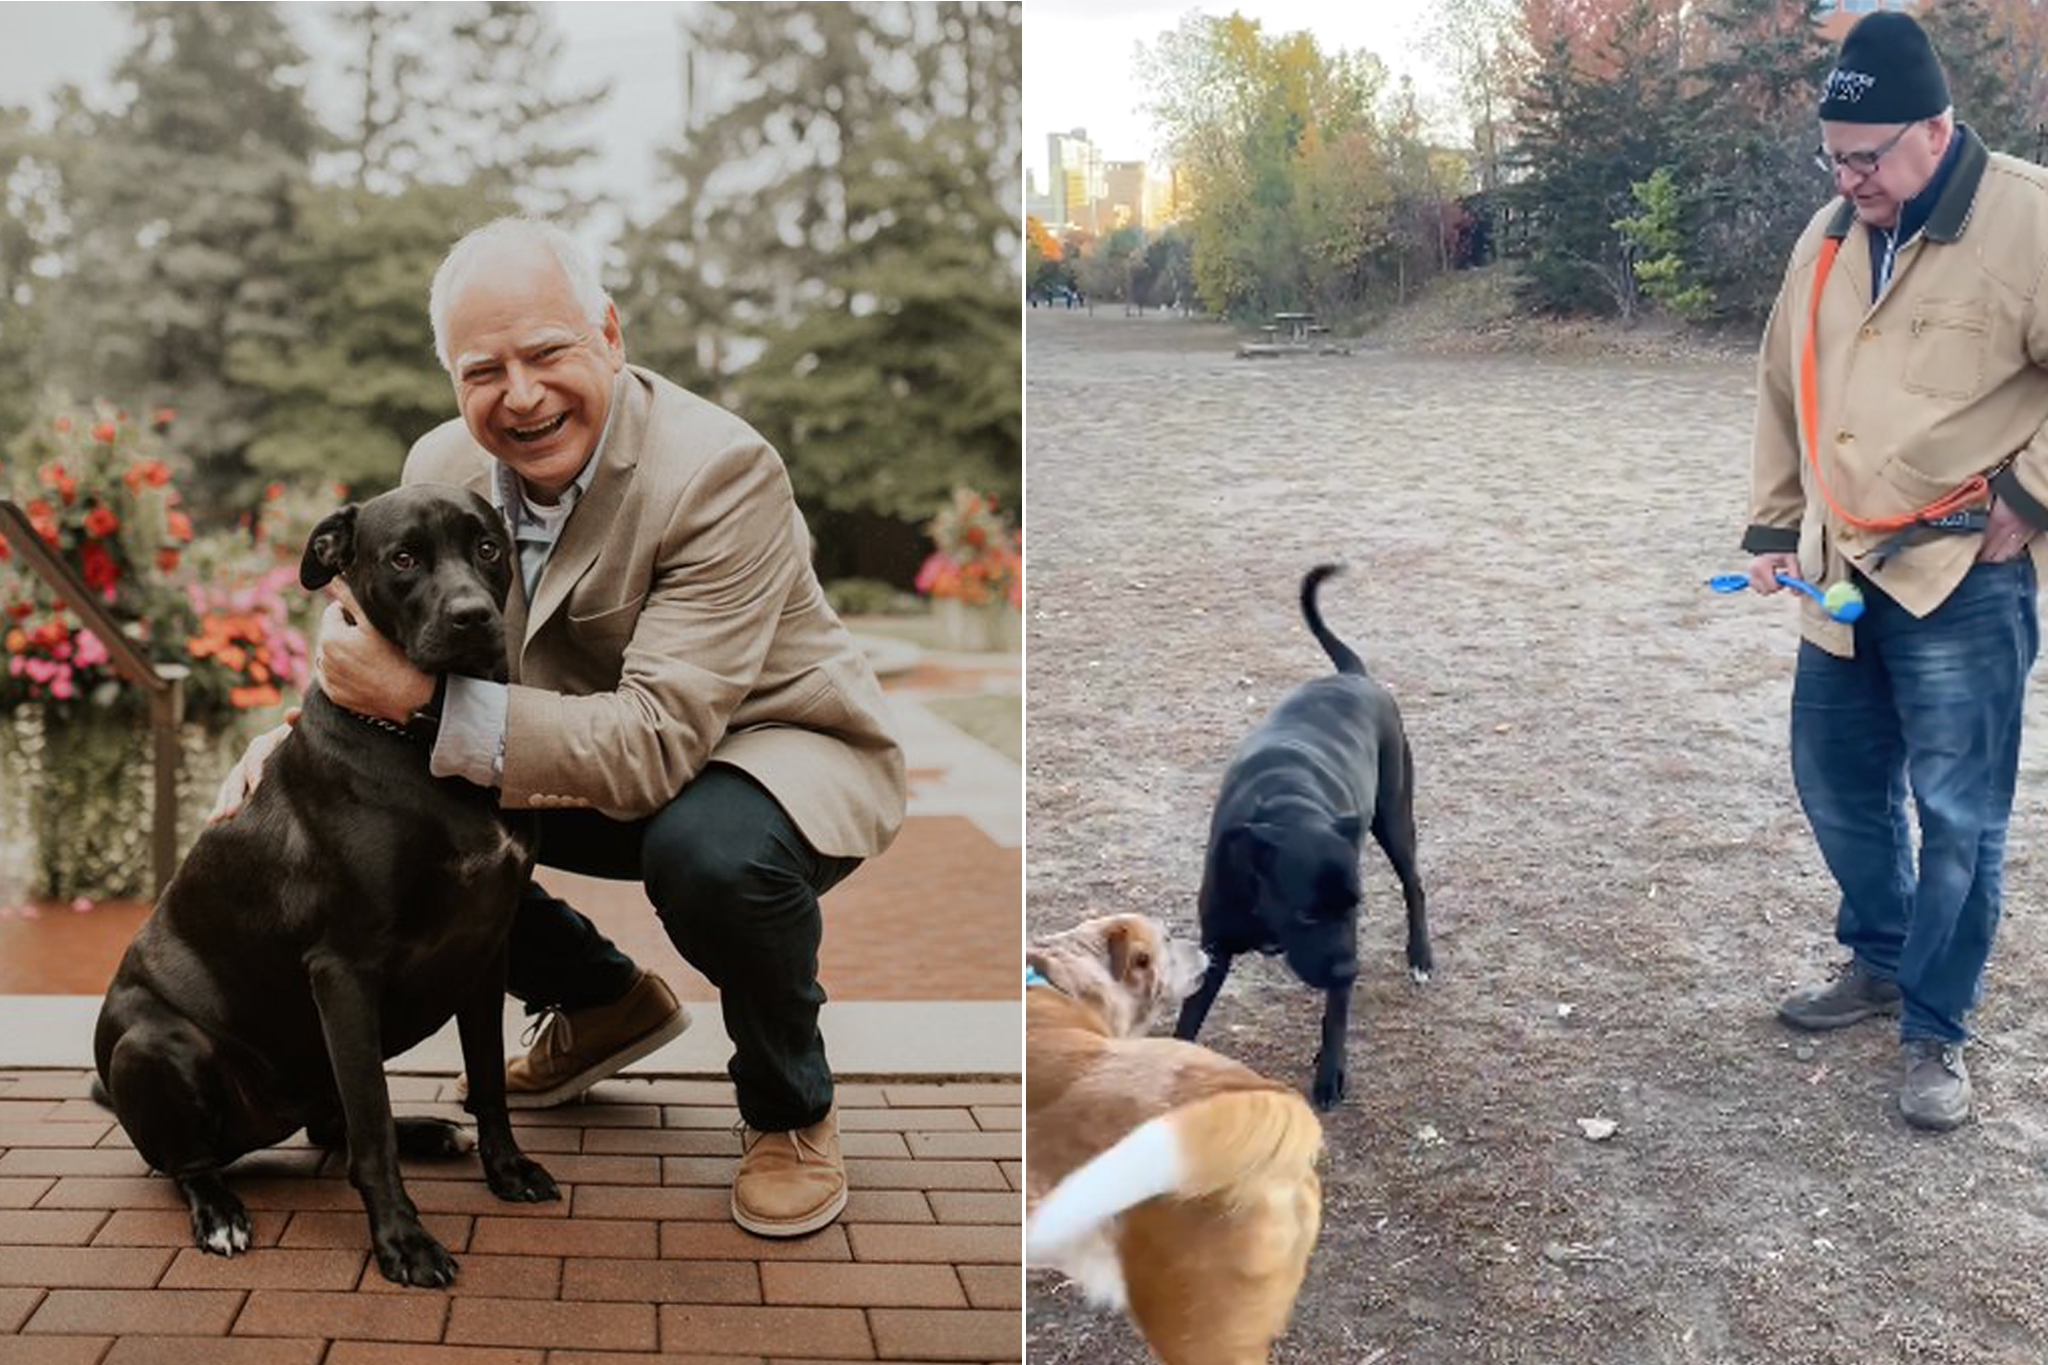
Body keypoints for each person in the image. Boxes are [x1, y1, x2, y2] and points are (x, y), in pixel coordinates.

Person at [230, 217, 906, 1233]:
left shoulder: (719, 471)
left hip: (762, 748)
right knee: (385, 810)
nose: (522, 394)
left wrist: (420, 706)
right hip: (572, 734)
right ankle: (600, 1000)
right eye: (483, 369)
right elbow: (389, 654)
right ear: (453, 381)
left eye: (547, 352)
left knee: (711, 855)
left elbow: (650, 746)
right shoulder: (439, 463)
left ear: (609, 335)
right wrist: (294, 746)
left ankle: (789, 1108)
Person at [1745, 11, 2048, 1131]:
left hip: (1961, 581)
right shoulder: (1825, 234)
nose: (1846, 175)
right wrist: (1771, 526)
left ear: (1936, 128)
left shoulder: (2027, 218)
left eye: (1866, 154)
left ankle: (1933, 1027)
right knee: (1831, 781)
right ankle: (1877, 957)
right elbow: (1782, 383)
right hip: (1836, 571)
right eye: (1832, 151)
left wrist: (2027, 497)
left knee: (1957, 816)